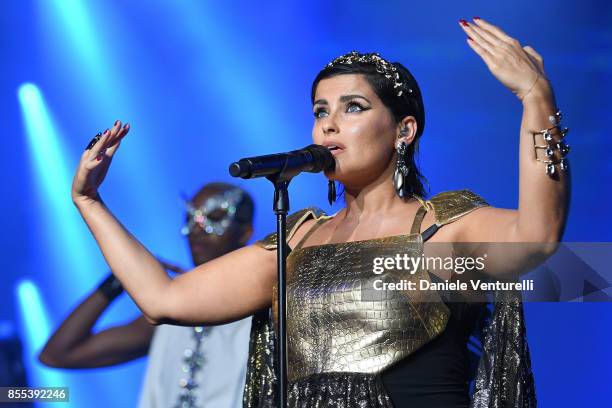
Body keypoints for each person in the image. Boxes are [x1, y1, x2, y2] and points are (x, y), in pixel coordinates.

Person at [70, 17, 569, 407]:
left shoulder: (441, 228)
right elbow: (164, 299)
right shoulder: (297, 241)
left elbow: (538, 236)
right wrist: (90, 202)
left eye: (352, 107)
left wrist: (535, 97)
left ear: (404, 131)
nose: (329, 126)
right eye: (320, 111)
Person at [39, 183, 255, 408]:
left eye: (214, 218)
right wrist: (118, 281)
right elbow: (57, 354)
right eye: (190, 218)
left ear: (245, 232)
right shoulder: (173, 312)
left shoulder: (267, 309)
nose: (196, 229)